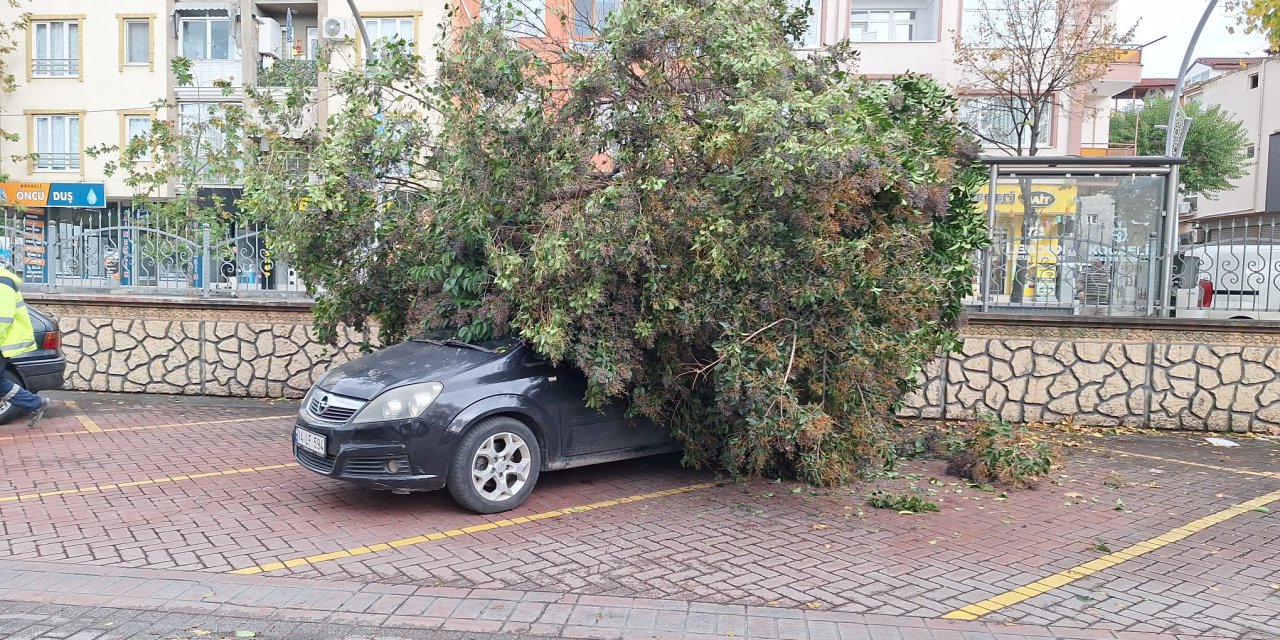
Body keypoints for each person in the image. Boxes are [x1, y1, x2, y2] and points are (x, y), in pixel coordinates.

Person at [0, 264, 49, 427]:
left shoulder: (3, 281)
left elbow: (3, 318)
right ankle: (35, 403)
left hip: (3, 341)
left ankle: (35, 403)